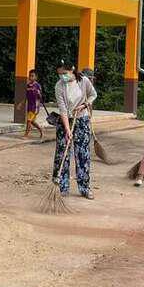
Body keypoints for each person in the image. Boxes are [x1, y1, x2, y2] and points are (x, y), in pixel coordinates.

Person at [53, 60, 97, 199]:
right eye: (60, 74)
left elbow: (93, 95)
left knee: (82, 154)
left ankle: (84, 188)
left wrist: (85, 105)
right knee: (62, 154)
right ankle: (62, 187)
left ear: (72, 70)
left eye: (64, 73)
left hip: (82, 119)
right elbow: (63, 109)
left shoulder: (83, 81)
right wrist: (67, 129)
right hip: (65, 121)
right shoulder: (59, 86)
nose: (62, 76)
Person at [22, 69, 43, 139]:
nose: (30, 77)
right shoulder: (28, 85)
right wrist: (21, 104)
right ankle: (40, 130)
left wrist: (39, 93)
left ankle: (26, 135)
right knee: (32, 121)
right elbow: (26, 96)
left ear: (36, 77)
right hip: (29, 106)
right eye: (29, 76)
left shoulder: (37, 86)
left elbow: (40, 97)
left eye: (32, 76)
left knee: (29, 120)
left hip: (35, 107)